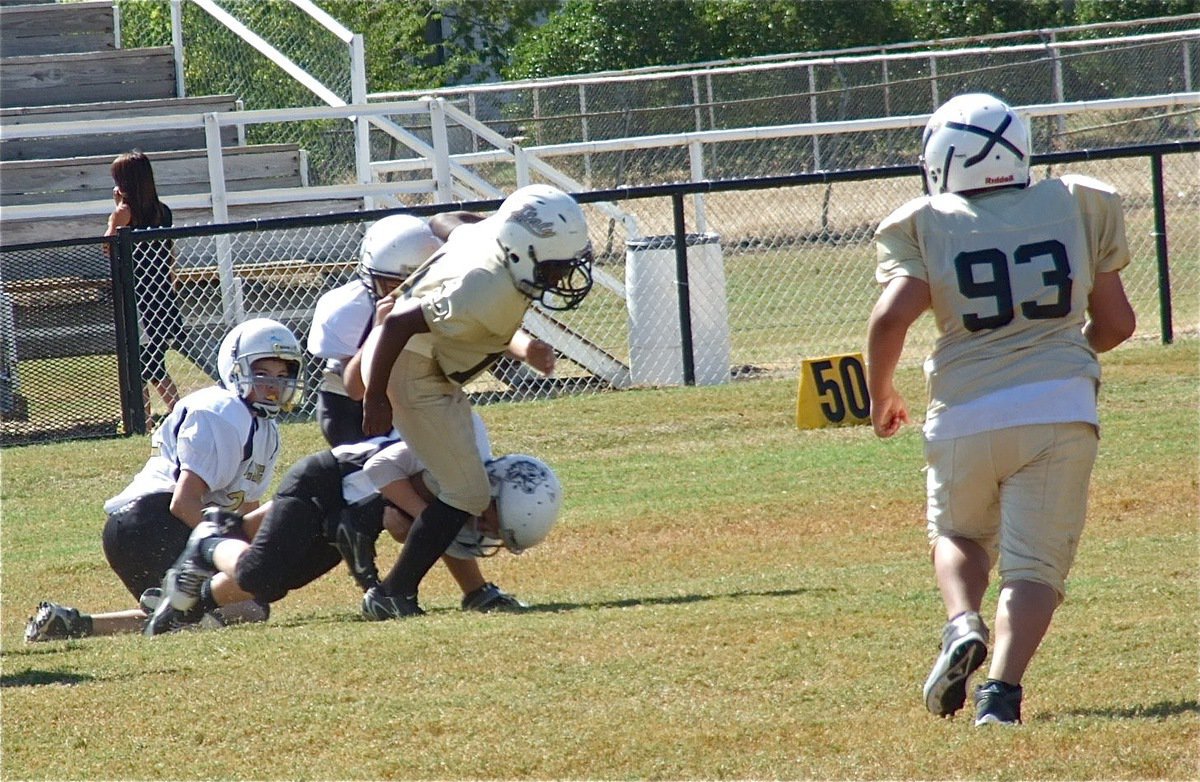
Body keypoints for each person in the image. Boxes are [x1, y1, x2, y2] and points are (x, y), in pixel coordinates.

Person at [865, 93, 1136, 726]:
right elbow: (1118, 323)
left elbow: (890, 318)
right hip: (1062, 408)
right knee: (1035, 566)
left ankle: (962, 621)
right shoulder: (1077, 202)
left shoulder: (926, 221)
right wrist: (1069, 351)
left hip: (965, 410)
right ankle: (1001, 696)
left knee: (959, 535)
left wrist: (883, 394)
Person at [358, 183, 593, 619]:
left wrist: (482, 225)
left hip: (426, 365)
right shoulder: (485, 286)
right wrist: (376, 398)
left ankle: (418, 580)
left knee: (461, 483)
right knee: (466, 491)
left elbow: (442, 222)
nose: (563, 277)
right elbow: (397, 327)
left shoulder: (494, 242)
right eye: (557, 267)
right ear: (522, 250)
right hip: (409, 369)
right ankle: (393, 592)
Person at [24, 318, 304, 642]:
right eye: (263, 373)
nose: (274, 384)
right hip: (149, 521)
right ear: (236, 369)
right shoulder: (221, 412)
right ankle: (175, 612)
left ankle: (74, 624)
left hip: (149, 524)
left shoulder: (264, 430)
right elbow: (184, 502)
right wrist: (227, 553)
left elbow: (243, 507)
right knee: (242, 605)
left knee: (219, 607)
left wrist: (259, 550)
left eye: (283, 375)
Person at [144, 427, 562, 634]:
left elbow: (442, 532)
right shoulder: (456, 453)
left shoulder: (471, 482)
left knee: (270, 586)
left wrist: (476, 592)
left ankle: (185, 605)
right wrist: (417, 517)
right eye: (490, 519)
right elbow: (382, 471)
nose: (483, 529)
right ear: (494, 489)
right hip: (324, 484)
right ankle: (208, 541)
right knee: (259, 575)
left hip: (350, 509)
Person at [308, 214, 445, 447]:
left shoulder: (441, 301)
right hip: (352, 410)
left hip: (409, 397)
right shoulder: (350, 309)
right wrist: (381, 329)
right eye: (394, 287)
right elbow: (355, 389)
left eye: (416, 285)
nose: (403, 295)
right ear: (372, 278)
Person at [105, 150, 183, 429]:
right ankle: (146, 421)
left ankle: (164, 417)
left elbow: (108, 248)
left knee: (148, 365)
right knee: (147, 364)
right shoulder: (163, 211)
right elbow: (168, 254)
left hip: (141, 299)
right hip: (161, 294)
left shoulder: (125, 214)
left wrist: (114, 218)